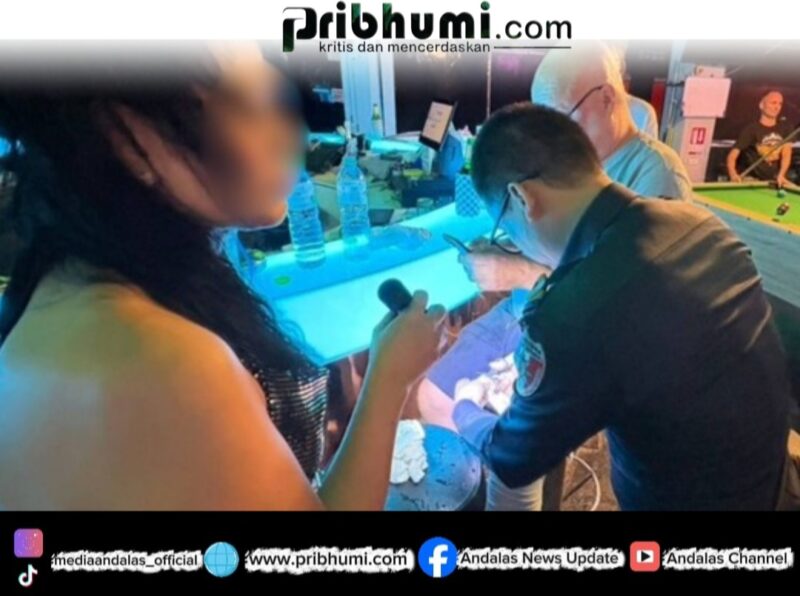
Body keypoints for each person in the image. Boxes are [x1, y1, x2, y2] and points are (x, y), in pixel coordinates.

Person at [0, 43, 446, 510]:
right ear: (127, 136)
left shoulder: (68, 281)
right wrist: (390, 379)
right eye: (250, 106)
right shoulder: (171, 367)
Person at [455, 102, 792, 510]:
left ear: (522, 197)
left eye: (504, 227)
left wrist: (464, 409)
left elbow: (513, 458)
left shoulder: (573, 316)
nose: (513, 240)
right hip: (774, 483)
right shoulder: (701, 223)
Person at [417, 42, 691, 437]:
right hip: (528, 313)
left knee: (476, 418)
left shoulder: (656, 176)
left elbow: (628, 311)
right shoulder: (567, 161)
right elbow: (555, 241)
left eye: (558, 118)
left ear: (607, 98)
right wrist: (505, 246)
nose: (546, 137)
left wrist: (516, 271)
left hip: (573, 340)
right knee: (431, 395)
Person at [727, 90, 793, 186]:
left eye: (780, 104)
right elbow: (732, 155)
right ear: (762, 105)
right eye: (773, 103)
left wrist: (781, 175)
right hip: (752, 181)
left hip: (775, 180)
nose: (777, 107)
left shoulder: (786, 128)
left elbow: (786, 154)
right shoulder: (751, 129)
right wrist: (733, 174)